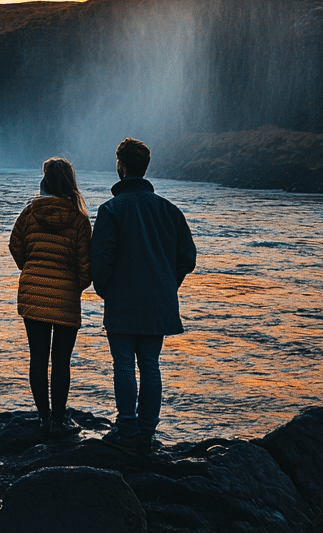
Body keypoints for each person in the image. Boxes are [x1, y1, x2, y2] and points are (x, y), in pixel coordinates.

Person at [90, 137, 197, 455]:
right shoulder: (170, 210)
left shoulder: (110, 210)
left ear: (120, 166)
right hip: (158, 301)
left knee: (123, 365)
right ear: (145, 167)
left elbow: (101, 261)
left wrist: (106, 290)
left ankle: (126, 429)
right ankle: (147, 433)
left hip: (122, 301)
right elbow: (187, 259)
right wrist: (168, 284)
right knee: (150, 365)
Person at [8, 157, 92, 439]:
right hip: (66, 299)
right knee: (61, 361)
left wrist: (30, 270)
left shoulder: (29, 214)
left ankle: (42, 418)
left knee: (38, 358)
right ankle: (59, 419)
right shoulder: (80, 221)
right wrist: (73, 285)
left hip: (32, 294)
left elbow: (15, 246)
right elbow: (85, 268)